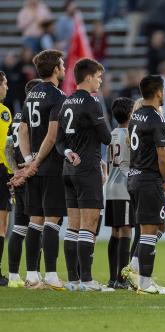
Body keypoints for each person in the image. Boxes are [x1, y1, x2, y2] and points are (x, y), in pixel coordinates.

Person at [56, 58, 113, 292]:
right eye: (99, 76)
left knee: (73, 227)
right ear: (88, 77)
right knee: (88, 226)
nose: (100, 81)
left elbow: (59, 142)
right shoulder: (91, 102)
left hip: (68, 169)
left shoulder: (66, 102)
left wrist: (69, 152)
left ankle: (73, 280)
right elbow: (106, 138)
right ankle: (87, 281)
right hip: (87, 168)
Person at [16, 49, 67, 290]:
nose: (65, 68)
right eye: (62, 65)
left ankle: (32, 275)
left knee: (35, 220)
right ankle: (52, 275)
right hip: (51, 166)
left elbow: (22, 130)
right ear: (55, 69)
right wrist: (37, 162)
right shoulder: (58, 96)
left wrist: (28, 159)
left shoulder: (32, 94)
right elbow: (52, 134)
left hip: (33, 167)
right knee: (52, 220)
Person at [126, 75, 165, 295]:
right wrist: (164, 183)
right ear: (159, 92)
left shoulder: (136, 116)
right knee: (149, 232)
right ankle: (145, 282)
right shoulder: (156, 118)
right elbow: (163, 156)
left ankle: (136, 268)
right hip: (148, 179)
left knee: (149, 230)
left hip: (134, 178)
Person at [6, 78, 42, 288]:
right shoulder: (35, 118)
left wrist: (16, 171)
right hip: (34, 174)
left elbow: (7, 149)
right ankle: (34, 274)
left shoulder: (15, 120)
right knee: (38, 225)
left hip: (20, 177)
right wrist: (25, 171)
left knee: (19, 227)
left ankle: (13, 276)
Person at [104, 97, 135, 289]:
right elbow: (126, 166)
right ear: (131, 114)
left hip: (111, 187)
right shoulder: (128, 136)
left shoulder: (111, 134)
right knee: (126, 230)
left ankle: (112, 277)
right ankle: (122, 278)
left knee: (115, 232)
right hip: (124, 188)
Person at [0, 71, 11, 286]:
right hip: (1, 170)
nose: (7, 88)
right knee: (1, 224)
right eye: (5, 83)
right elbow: (4, 148)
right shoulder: (4, 113)